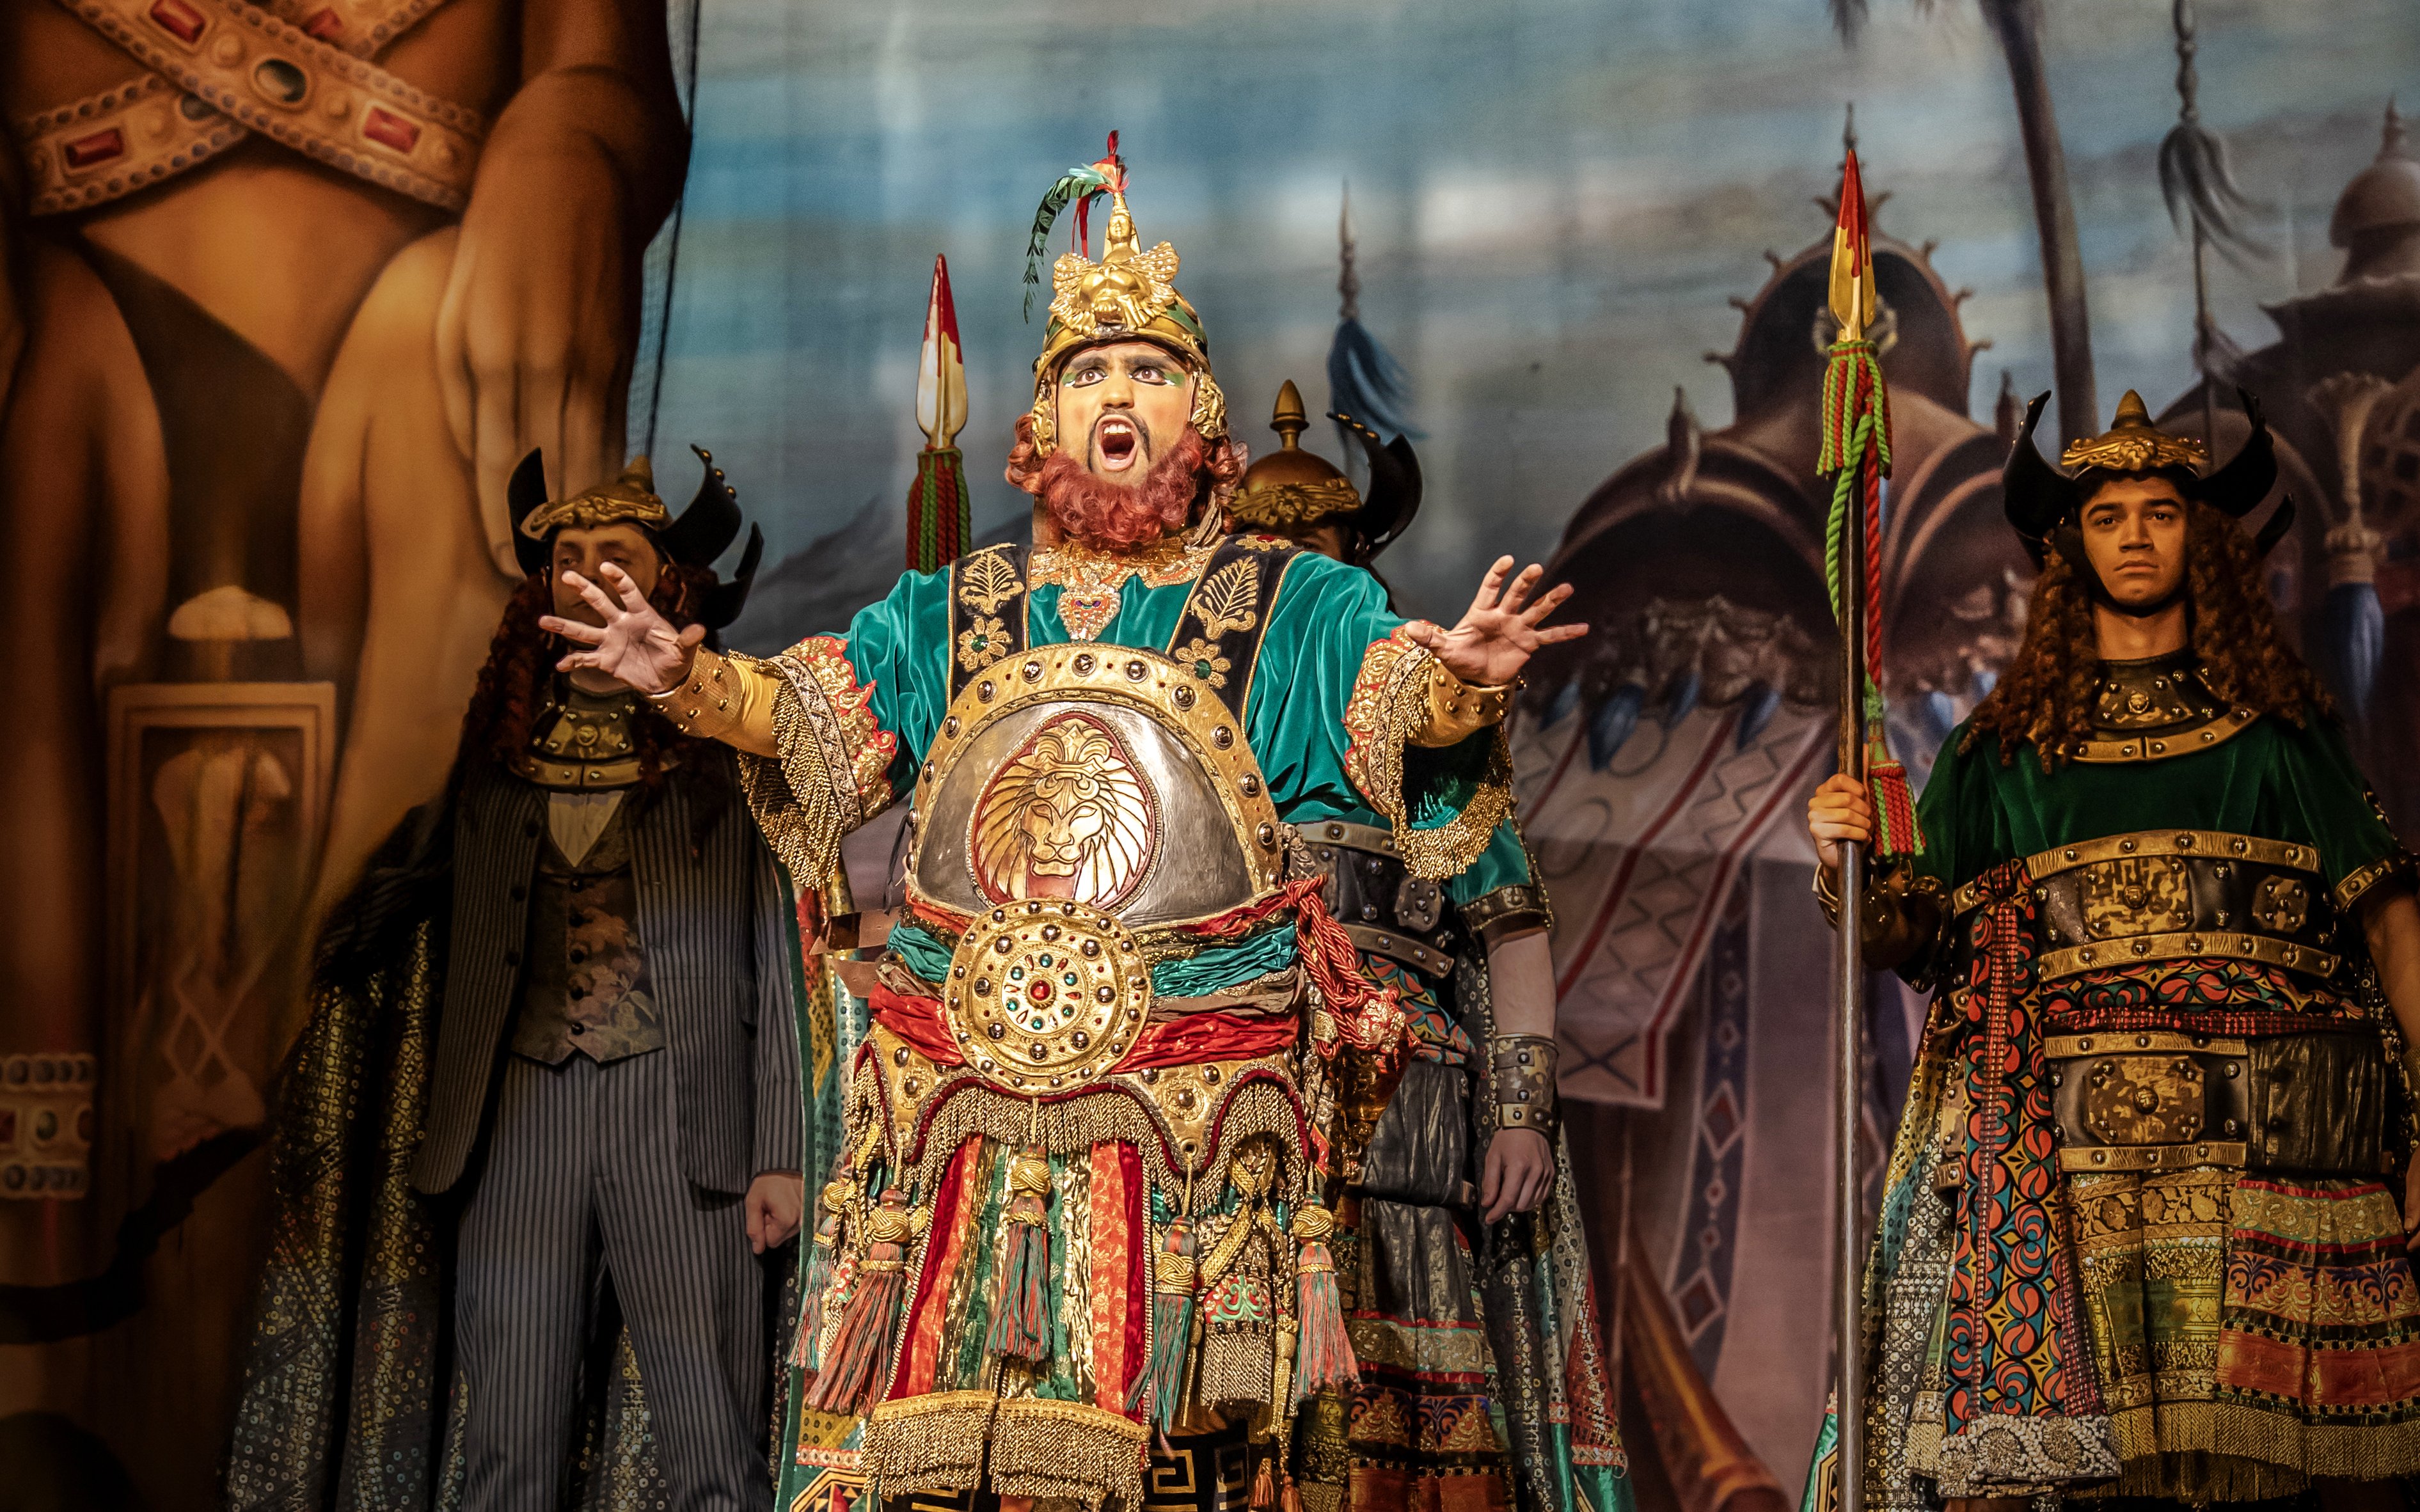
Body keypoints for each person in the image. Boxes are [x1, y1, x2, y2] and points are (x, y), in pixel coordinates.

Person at [543, 149, 1588, 1512]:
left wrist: (1459, 681)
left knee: (1184, 1442)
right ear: (1040, 428)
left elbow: (1391, 692)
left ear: (1198, 423)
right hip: (965, 1078)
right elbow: (816, 711)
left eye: (1148, 373)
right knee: (950, 1439)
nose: (1116, 395)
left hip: (1193, 1089)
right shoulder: (961, 606)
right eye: (1087, 374)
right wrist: (689, 680)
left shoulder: (1286, 598)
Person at [1806, 390, 2420, 1511]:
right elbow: (1909, 934)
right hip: (2064, 1171)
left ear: (2203, 535)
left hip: (2269, 1161)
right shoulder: (1998, 755)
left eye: (2160, 511)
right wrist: (1844, 862)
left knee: (2288, 1476)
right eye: (2108, 515)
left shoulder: (2280, 739)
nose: (2136, 535)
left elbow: (2390, 925)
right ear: (2067, 545)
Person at [226, 450, 801, 1512]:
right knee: (506, 1446)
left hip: (683, 1123)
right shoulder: (494, 771)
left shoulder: (722, 772)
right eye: (565, 564)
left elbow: (778, 965)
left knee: (712, 1441)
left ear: (668, 587)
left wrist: (780, 1155)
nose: (585, 582)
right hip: (518, 1120)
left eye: (614, 562)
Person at [1228, 382, 1627, 1512]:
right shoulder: (1186, 726)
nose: (1291, 568)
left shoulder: (1426, 717)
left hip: (1409, 1124)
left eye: (1316, 542)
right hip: (1232, 1104)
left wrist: (1518, 1112)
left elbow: (1510, 928)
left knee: (1415, 1420)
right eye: (1264, 547)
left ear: (1358, 556)